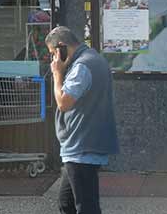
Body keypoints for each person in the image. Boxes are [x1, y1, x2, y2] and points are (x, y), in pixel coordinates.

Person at [46, 26, 119, 214]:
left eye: (53, 53)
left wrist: (57, 74)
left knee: (86, 207)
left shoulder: (82, 66)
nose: (54, 59)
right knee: (66, 203)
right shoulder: (94, 58)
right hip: (83, 144)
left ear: (61, 47)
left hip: (82, 146)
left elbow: (63, 103)